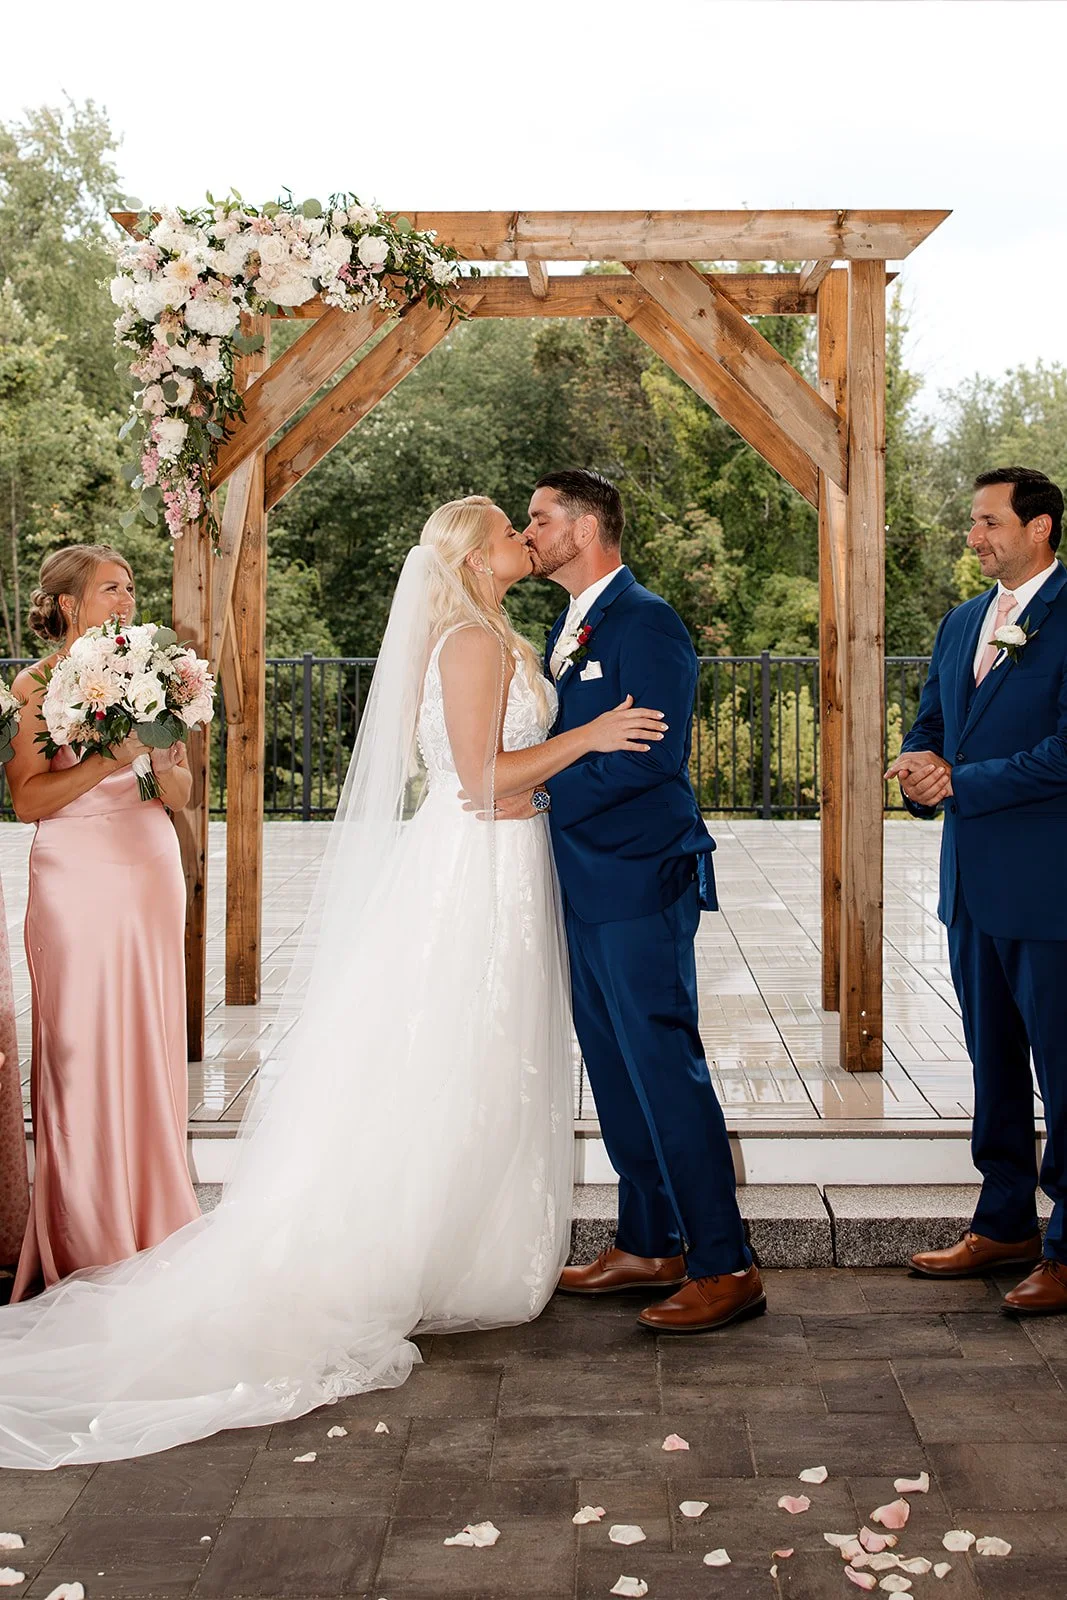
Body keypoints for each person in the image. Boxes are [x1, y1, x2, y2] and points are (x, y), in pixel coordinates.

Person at [0, 496, 667, 1469]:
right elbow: (478, 781)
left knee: (482, 1062)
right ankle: (423, 1249)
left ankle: (463, 1240)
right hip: (473, 871)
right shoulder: (471, 645)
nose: (522, 538)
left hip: (502, 861)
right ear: (472, 554)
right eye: (506, 529)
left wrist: (553, 772)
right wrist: (590, 736)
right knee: (459, 1057)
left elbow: (492, 780)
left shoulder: (487, 633)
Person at [524, 469, 764, 1333]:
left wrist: (540, 796)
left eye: (540, 519)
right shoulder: (567, 622)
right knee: (615, 1065)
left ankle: (725, 1262)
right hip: (582, 878)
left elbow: (648, 756)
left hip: (636, 871)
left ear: (586, 527)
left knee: (662, 1064)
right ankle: (649, 1239)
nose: (529, 533)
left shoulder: (646, 621)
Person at [887, 467, 1067, 1313]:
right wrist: (918, 762)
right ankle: (1003, 1223)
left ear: (1039, 527)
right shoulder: (961, 622)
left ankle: (1066, 1247)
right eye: (972, 523)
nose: (973, 536)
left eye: (988, 522)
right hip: (968, 888)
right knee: (992, 1065)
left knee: (1063, 1072)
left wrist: (962, 782)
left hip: (1050, 890)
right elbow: (932, 719)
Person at [6, 545, 198, 1302]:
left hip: (148, 866)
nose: (126, 600)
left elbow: (179, 789)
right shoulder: (32, 686)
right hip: (74, 877)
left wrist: (148, 758)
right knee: (80, 1048)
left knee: (148, 1042)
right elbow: (28, 802)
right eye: (109, 589)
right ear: (65, 605)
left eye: (130, 588)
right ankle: (86, 1235)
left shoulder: (154, 673)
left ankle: (156, 1220)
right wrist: (105, 757)